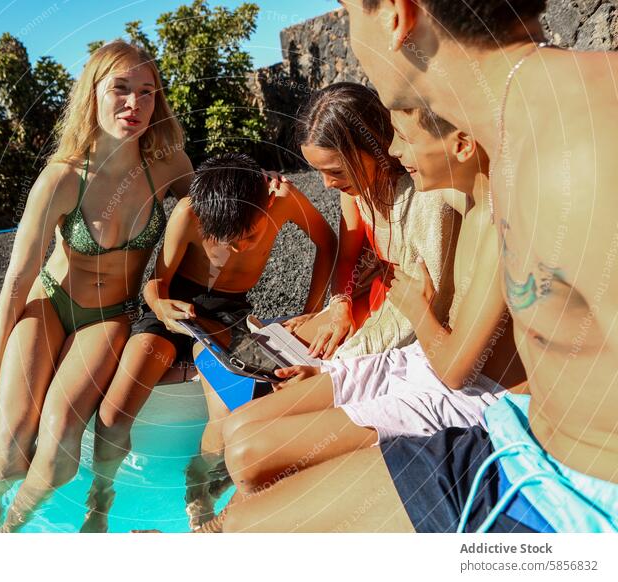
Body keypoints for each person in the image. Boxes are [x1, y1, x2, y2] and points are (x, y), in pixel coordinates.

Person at [221, 0, 618, 533]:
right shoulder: (513, 142)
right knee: (244, 518)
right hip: (520, 442)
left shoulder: (580, 146)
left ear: (394, 14)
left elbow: (458, 363)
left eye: (345, 9)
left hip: (569, 502)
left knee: (250, 524)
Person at [218, 107, 526, 505]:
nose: (393, 150)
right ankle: (219, 528)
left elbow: (455, 374)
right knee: (238, 427)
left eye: (404, 138)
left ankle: (216, 532)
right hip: (418, 361)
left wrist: (415, 311)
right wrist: (337, 312)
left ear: (462, 145)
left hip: (467, 393)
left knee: (248, 454)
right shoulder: (468, 199)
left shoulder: (495, 221)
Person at [0, 40, 193, 533]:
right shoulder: (62, 178)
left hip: (110, 315)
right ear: (92, 93)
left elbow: (210, 221)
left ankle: (10, 528)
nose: (134, 104)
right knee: (10, 451)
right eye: (120, 88)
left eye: (147, 92)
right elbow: (18, 278)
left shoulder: (169, 167)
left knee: (60, 453)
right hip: (48, 303)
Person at [83, 152, 336, 531]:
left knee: (225, 420)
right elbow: (157, 283)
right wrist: (161, 308)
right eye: (227, 241)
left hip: (224, 318)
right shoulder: (189, 212)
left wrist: (314, 310)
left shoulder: (283, 200)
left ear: (266, 201)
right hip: (172, 313)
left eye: (250, 236)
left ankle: (197, 481)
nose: (239, 249)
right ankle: (100, 498)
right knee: (114, 413)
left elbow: (327, 241)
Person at [283, 82, 458, 363]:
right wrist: (339, 306)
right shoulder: (354, 191)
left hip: (410, 313)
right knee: (292, 343)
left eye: (336, 171)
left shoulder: (423, 197)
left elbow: (430, 300)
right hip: (376, 294)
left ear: (374, 143)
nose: (327, 184)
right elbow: (347, 258)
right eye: (319, 172)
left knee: (317, 363)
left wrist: (346, 359)